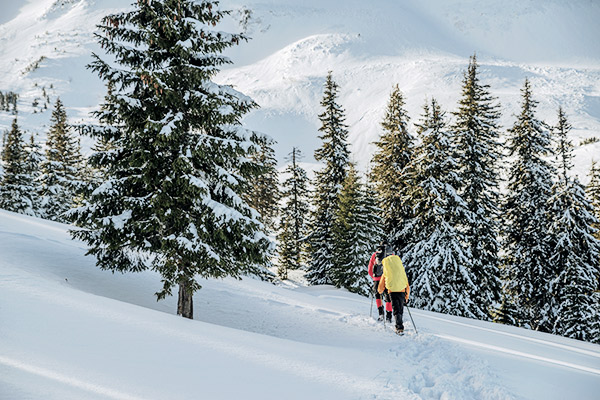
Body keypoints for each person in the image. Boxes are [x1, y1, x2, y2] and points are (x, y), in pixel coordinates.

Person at [377, 243, 410, 334]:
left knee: (396, 309)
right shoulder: (400, 270)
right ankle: (400, 324)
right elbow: (406, 282)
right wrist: (407, 296)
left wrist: (380, 291)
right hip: (402, 290)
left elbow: (382, 281)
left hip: (392, 290)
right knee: (400, 308)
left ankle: (399, 327)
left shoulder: (387, 269)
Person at [368, 242, 392, 322]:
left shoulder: (375, 255)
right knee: (388, 298)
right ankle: (389, 316)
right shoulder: (391, 255)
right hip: (387, 279)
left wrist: (374, 277)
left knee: (378, 296)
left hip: (377, 280)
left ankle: (381, 314)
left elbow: (370, 269)